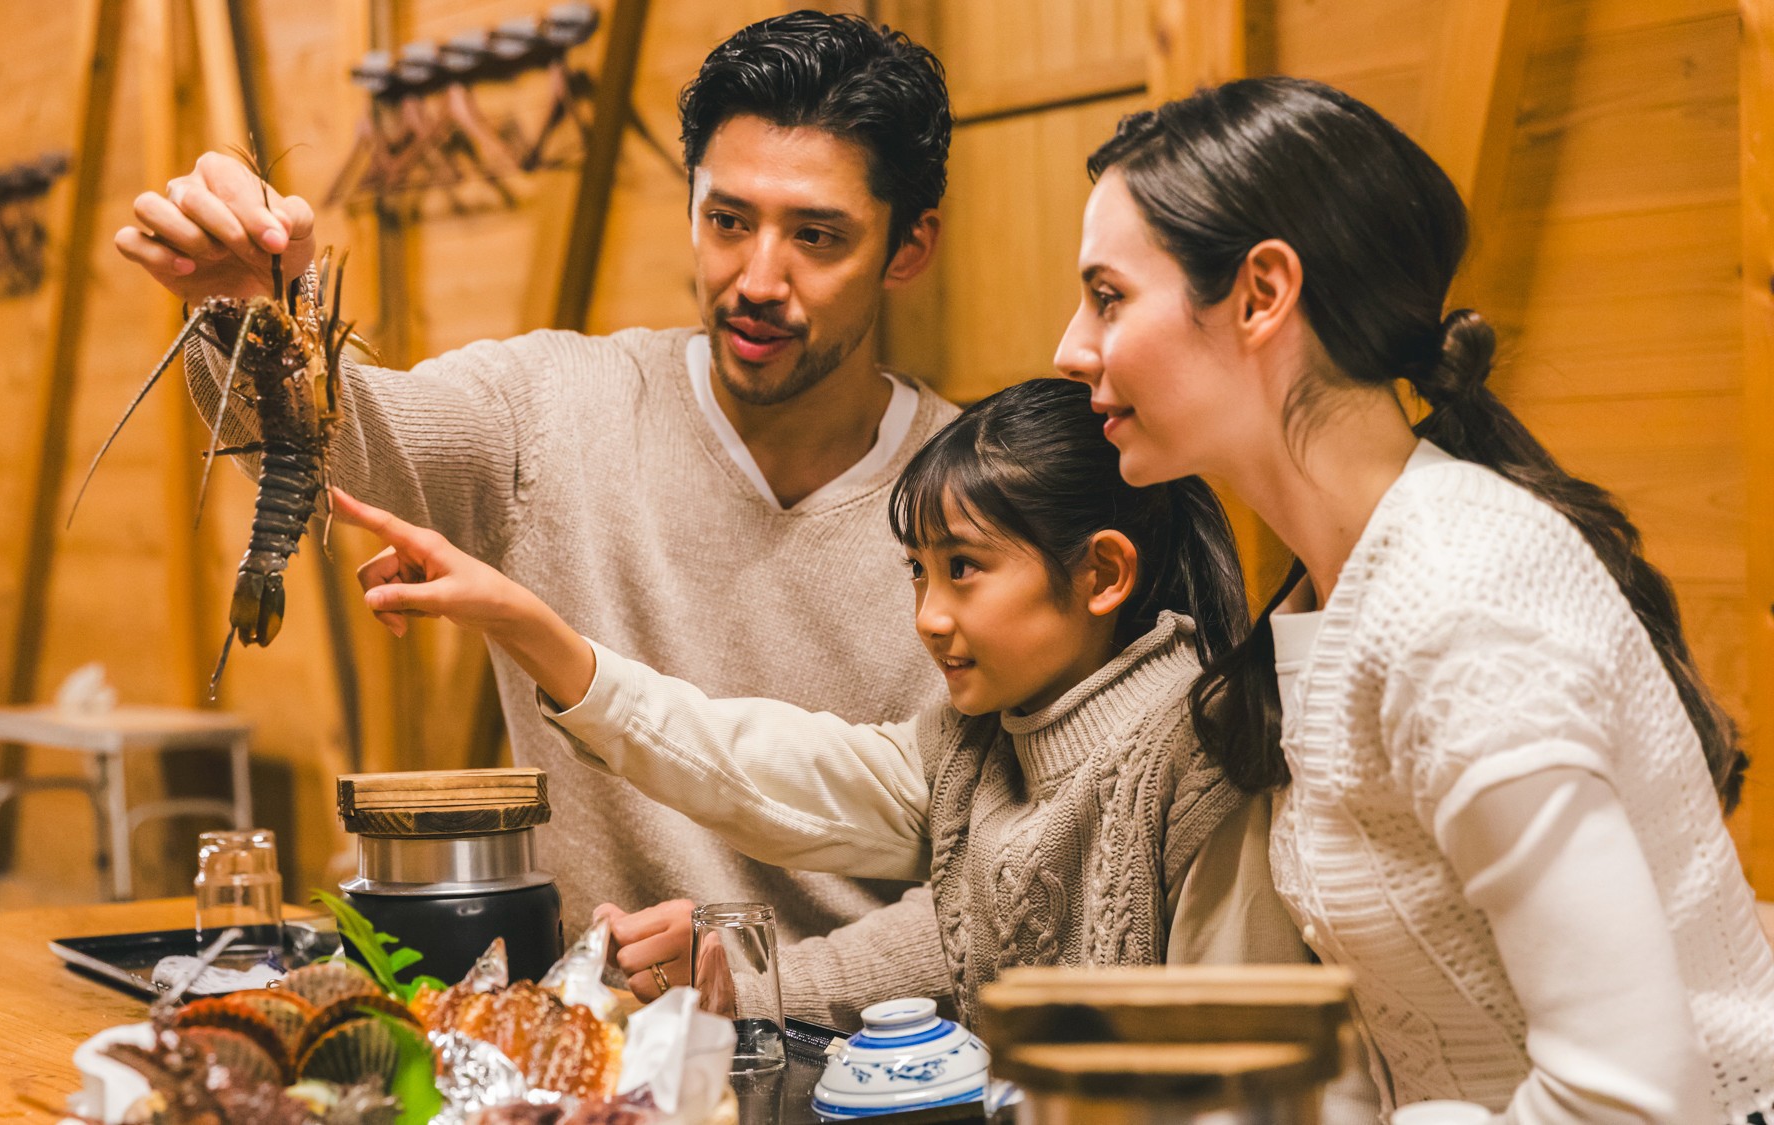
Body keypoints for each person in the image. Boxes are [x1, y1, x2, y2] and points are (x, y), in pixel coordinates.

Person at [113, 11, 962, 1025]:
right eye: (726, 221)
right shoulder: (550, 402)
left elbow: (989, 890)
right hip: (581, 1047)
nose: (756, 279)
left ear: (907, 248)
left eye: (815, 236)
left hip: (870, 1061)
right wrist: (248, 309)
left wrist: (760, 975)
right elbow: (356, 440)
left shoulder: (976, 509)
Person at [1054, 76, 1774, 1121]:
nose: (1071, 348)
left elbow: (1629, 1102)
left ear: (1260, 295)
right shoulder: (1334, 591)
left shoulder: (1457, 599)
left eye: (1107, 296)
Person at [330, 377, 1311, 1026]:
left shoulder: (1201, 754)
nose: (927, 617)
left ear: (1100, 574)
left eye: (963, 571)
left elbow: (1245, 1056)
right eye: (917, 575)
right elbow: (779, 779)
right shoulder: (978, 743)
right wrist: (735, 987)